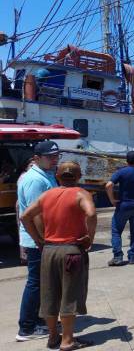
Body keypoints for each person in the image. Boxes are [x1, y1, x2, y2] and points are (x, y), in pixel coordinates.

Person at [19, 162, 97, 351]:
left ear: (57, 176)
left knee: (50, 294)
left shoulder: (47, 195)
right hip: (71, 251)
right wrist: (89, 237)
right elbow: (91, 213)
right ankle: (68, 340)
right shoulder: (81, 193)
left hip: (49, 250)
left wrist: (38, 239)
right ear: (79, 176)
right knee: (69, 296)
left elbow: (25, 217)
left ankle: (53, 337)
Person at [15, 141, 59, 342]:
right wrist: (43, 240)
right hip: (39, 241)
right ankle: (27, 327)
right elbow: (35, 215)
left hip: (43, 239)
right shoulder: (35, 180)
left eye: (56, 155)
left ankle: (41, 320)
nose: (54, 159)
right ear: (36, 158)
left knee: (43, 283)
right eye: (50, 156)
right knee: (35, 283)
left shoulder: (46, 174)